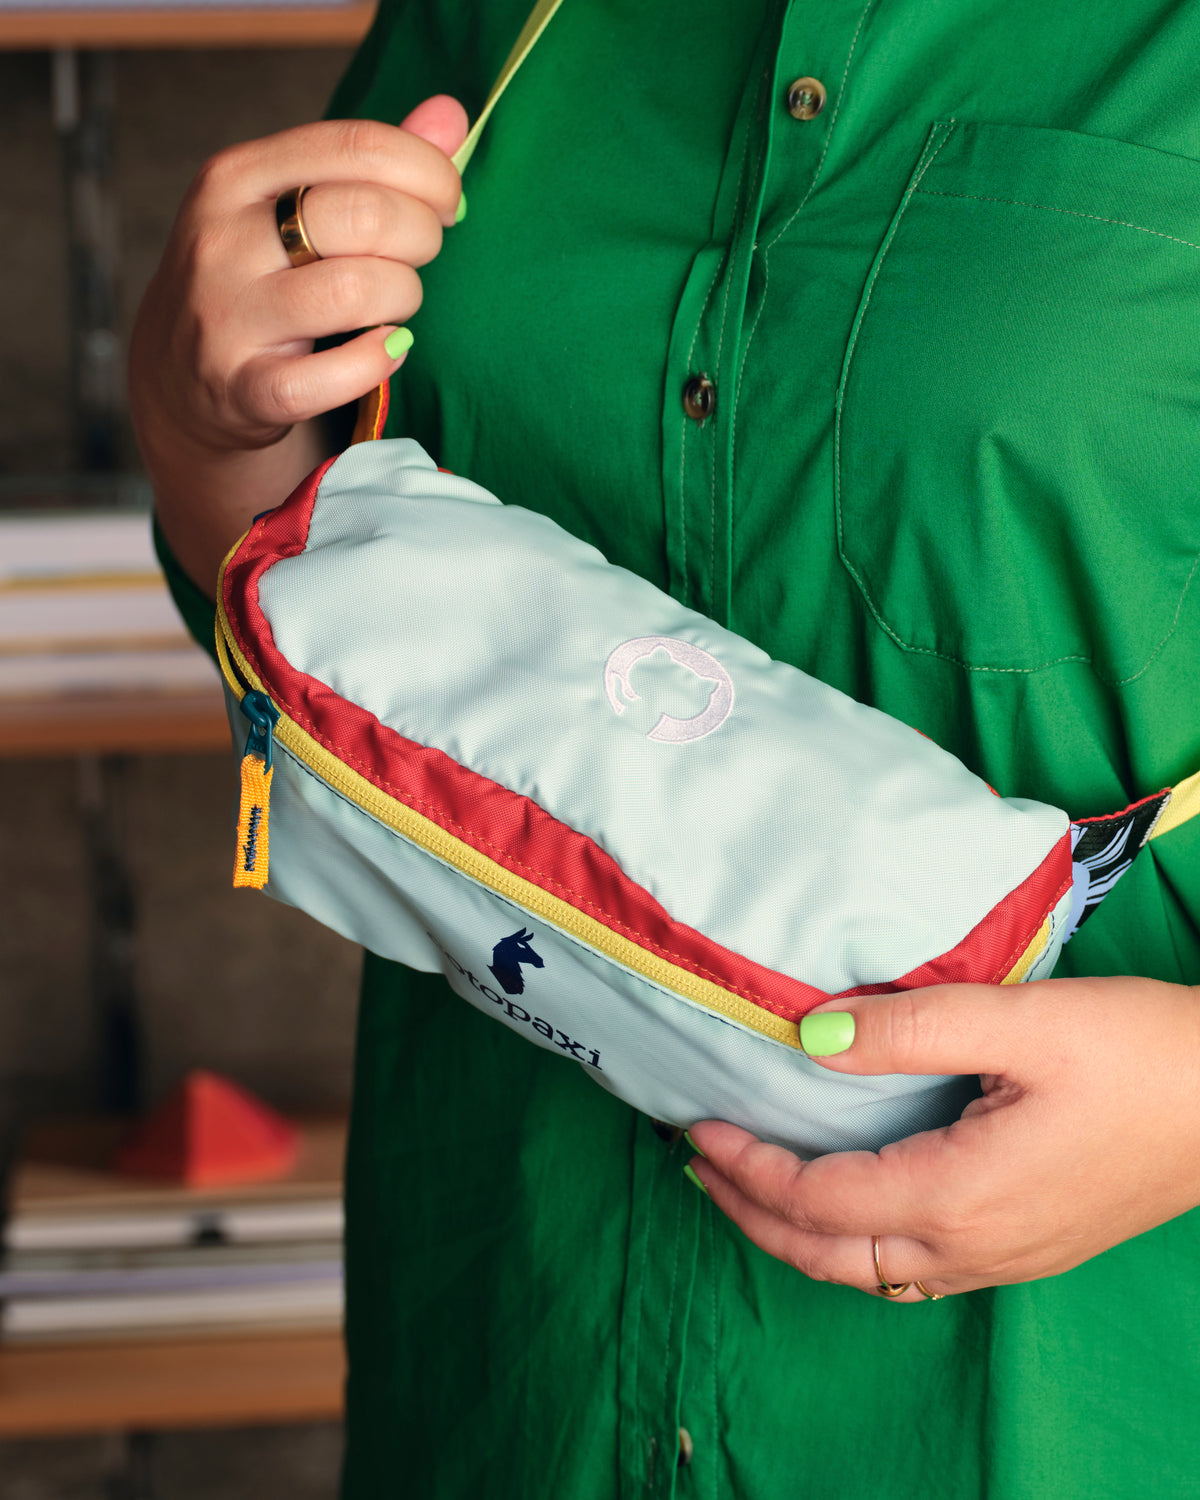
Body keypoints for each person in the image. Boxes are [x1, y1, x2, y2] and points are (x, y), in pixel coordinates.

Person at [130, 2, 1200, 1495]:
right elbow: (311, 612)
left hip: (1070, 1401)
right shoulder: (500, 22)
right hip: (514, 1351)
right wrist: (205, 425)